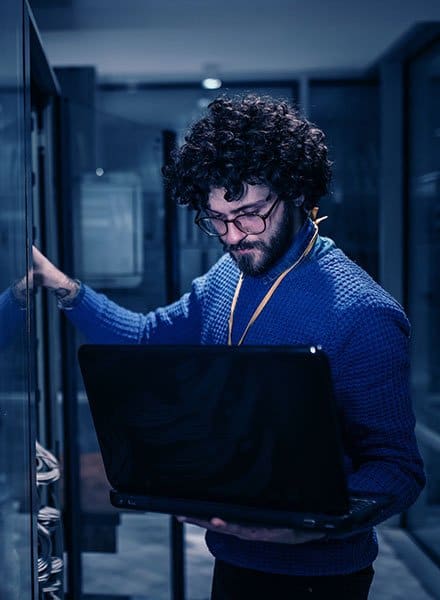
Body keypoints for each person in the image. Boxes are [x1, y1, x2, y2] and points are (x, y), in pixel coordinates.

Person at [33, 94, 425, 599]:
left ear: (296, 191)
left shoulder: (363, 313)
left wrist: (305, 527)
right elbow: (147, 337)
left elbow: (397, 469)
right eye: (216, 219)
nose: (233, 236)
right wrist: (64, 286)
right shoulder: (227, 276)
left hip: (319, 578)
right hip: (232, 556)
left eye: (249, 215)